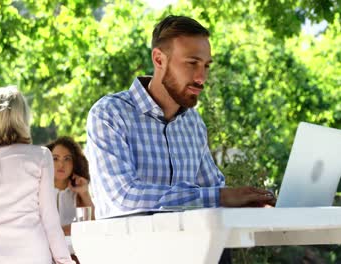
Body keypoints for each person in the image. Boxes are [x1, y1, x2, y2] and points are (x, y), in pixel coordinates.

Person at [86, 15, 276, 219]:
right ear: (159, 59)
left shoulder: (193, 123)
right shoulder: (109, 114)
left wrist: (248, 202)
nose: (201, 77)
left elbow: (212, 189)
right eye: (192, 63)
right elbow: (123, 197)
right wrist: (220, 197)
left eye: (206, 66)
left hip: (189, 246)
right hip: (129, 248)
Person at [0, 85, 73, 264]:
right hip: (31, 256)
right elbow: (50, 220)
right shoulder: (40, 156)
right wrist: (65, 261)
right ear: (22, 118)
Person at [46, 136, 95, 236]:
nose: (61, 165)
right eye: (55, 158)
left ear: (75, 163)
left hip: (75, 250)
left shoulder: (79, 193)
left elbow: (92, 224)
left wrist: (84, 193)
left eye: (67, 159)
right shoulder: (39, 190)